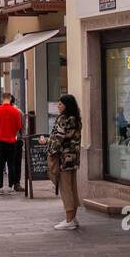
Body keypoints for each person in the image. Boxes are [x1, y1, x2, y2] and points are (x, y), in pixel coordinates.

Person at [47, 94, 83, 230]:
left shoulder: (64, 119)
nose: (58, 106)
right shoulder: (76, 119)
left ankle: (69, 220)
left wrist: (49, 148)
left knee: (65, 189)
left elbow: (58, 139)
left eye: (61, 104)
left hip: (63, 159)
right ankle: (73, 217)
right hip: (73, 158)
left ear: (66, 105)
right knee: (72, 187)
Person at [0, 92, 23, 195]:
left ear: (2, 99)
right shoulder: (16, 111)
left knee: (0, 164)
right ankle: (11, 186)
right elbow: (18, 127)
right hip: (11, 141)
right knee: (11, 164)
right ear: (10, 99)